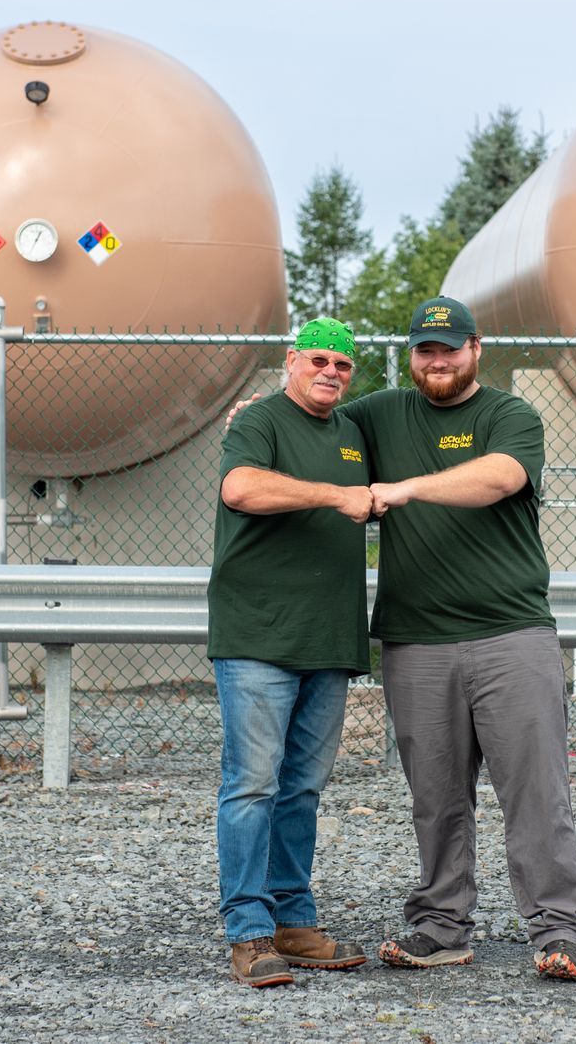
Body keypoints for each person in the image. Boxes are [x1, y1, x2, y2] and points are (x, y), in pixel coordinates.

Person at [344, 295, 576, 982]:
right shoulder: (379, 413)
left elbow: (501, 478)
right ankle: (440, 925)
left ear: (475, 349)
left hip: (509, 632)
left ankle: (558, 930)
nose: (437, 361)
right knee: (436, 796)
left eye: (449, 348)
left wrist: (409, 488)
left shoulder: (508, 416)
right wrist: (259, 417)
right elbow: (313, 430)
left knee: (536, 790)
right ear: (411, 355)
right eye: (425, 350)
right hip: (415, 639)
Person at [208, 318, 374, 988]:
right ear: (291, 361)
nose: (330, 371)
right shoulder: (260, 423)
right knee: (252, 785)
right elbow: (241, 488)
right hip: (258, 635)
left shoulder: (355, 432)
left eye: (343, 364)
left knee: (302, 788)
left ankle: (293, 920)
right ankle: (248, 932)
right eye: (318, 360)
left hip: (328, 638)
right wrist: (336, 494)